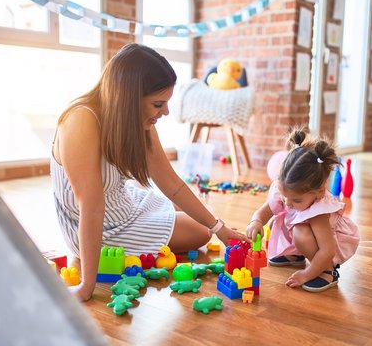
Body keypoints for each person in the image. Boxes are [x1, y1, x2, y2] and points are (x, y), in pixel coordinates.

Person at [51, 43, 248, 301]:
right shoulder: (81, 120)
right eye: (158, 103)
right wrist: (87, 285)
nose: (165, 112)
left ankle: (196, 223)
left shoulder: (134, 120)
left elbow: (172, 184)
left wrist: (221, 229)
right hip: (99, 227)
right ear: (129, 98)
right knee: (200, 232)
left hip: (122, 205)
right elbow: (91, 207)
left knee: (192, 214)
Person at [246, 127, 359, 292]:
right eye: (285, 196)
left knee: (300, 230)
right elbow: (265, 211)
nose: (288, 203)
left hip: (328, 249)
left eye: (296, 200)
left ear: (319, 191)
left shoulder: (318, 210)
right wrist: (256, 221)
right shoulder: (288, 192)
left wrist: (306, 274)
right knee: (275, 220)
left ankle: (327, 271)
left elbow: (328, 250)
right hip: (305, 234)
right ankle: (295, 254)